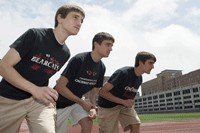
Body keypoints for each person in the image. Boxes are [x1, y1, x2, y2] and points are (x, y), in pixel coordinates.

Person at [0, 5, 85, 133]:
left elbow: (42, 75)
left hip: (38, 102)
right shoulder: (35, 35)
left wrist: (42, 93)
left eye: (81, 21)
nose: (79, 23)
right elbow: (3, 66)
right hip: (10, 98)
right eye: (75, 17)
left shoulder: (65, 53)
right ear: (60, 18)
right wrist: (34, 89)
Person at [55, 32, 115, 133]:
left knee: (88, 123)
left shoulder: (101, 67)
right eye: (107, 44)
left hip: (77, 101)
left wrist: (92, 107)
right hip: (60, 103)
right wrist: (82, 102)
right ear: (96, 44)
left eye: (112, 45)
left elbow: (94, 91)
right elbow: (60, 87)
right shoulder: (79, 59)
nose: (111, 48)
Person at [98, 51, 156, 133]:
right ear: (140, 62)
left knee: (135, 124)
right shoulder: (123, 73)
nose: (153, 66)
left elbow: (130, 97)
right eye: (150, 63)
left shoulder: (139, 78)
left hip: (123, 106)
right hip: (107, 106)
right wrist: (123, 102)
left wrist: (129, 104)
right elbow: (102, 92)